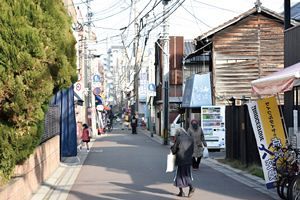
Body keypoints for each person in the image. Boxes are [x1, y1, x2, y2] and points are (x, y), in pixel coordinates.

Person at [171, 128, 195, 197]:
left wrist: (172, 148)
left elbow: (174, 149)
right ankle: (183, 191)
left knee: (179, 176)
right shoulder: (191, 138)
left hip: (181, 160)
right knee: (187, 174)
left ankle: (190, 188)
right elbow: (192, 149)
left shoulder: (179, 138)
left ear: (178, 133)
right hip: (188, 160)